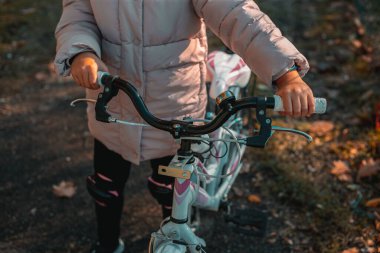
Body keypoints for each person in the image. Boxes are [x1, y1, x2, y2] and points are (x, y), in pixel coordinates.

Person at [55, 1, 315, 252]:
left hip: (175, 109)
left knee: (172, 190)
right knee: (105, 187)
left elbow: (237, 14)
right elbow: (79, 13)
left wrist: (285, 73)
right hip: (114, 104)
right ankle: (108, 244)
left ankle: (177, 240)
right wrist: (81, 51)